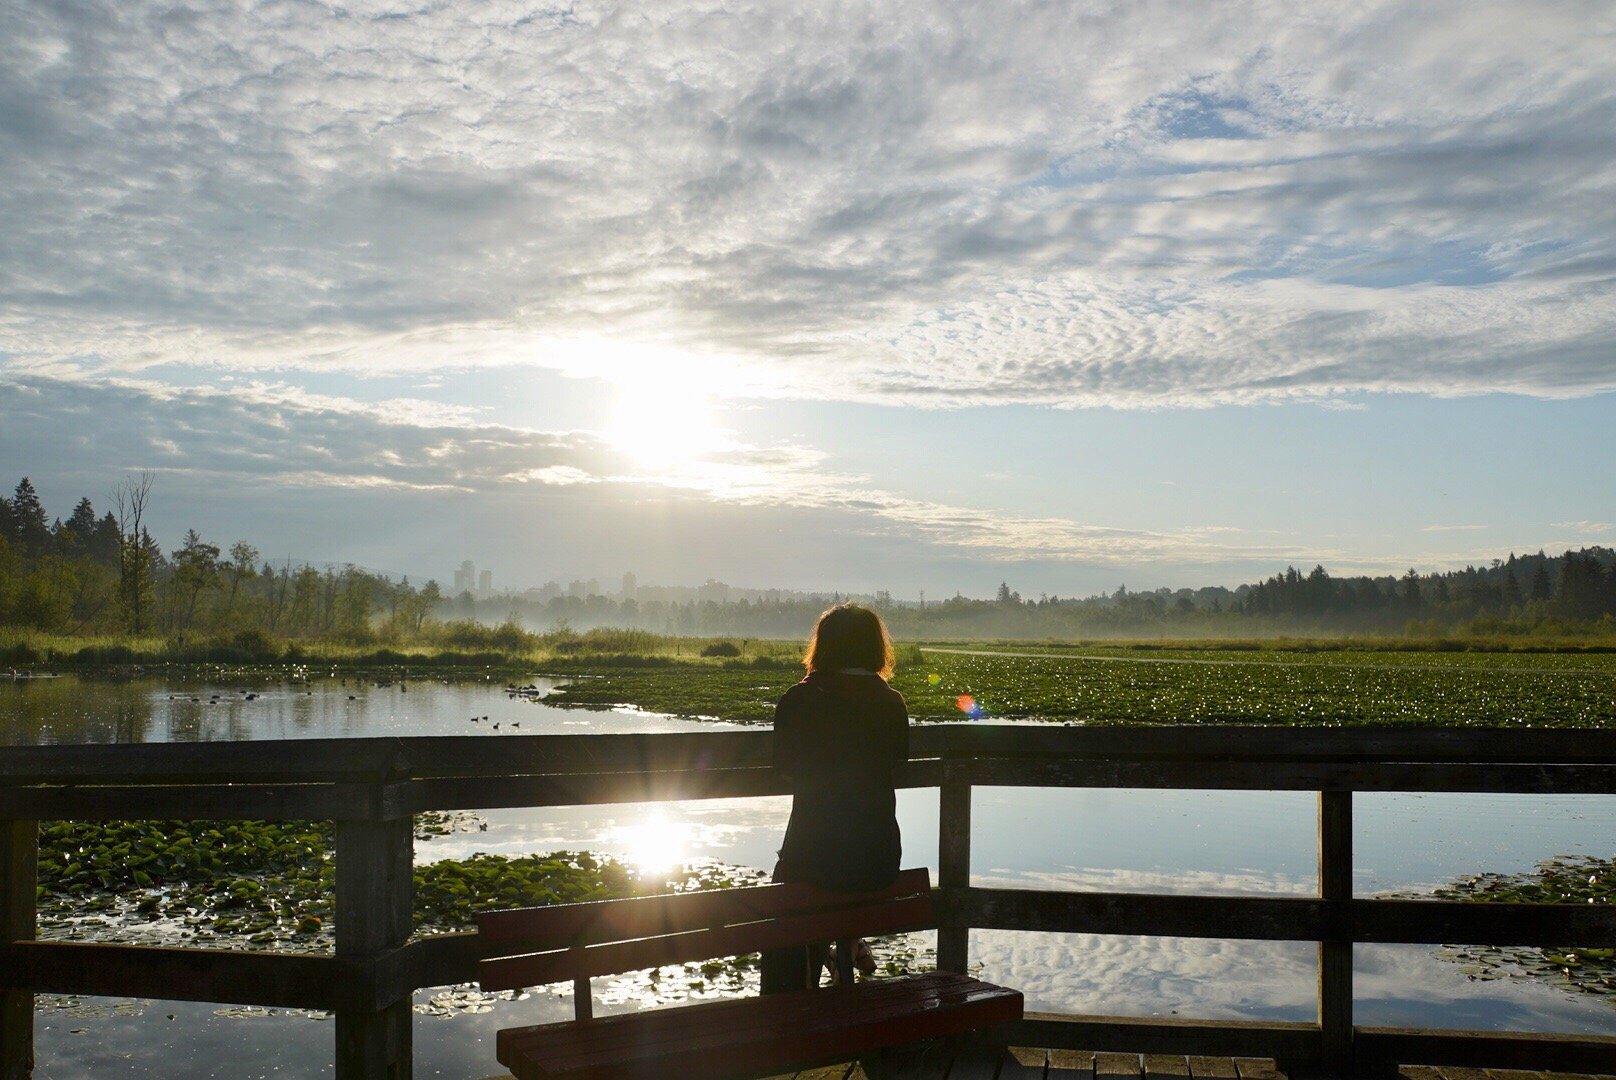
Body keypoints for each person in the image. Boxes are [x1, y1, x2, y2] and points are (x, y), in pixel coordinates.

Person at [759, 603, 909, 994]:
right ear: (876, 647)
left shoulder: (799, 700)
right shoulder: (892, 702)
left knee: (785, 910)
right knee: (821, 897)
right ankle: (846, 945)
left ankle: (787, 1010)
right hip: (877, 860)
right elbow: (897, 763)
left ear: (822, 647)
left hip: (814, 856)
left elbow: (783, 767)